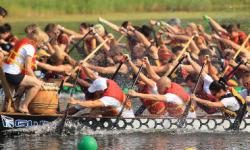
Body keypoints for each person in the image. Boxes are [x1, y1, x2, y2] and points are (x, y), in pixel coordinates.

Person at [2, 28, 47, 113]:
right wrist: (36, 80)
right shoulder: (30, 47)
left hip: (6, 72)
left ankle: (8, 108)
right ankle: (23, 106)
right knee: (37, 84)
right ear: (37, 40)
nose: (42, 45)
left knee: (24, 85)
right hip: (12, 75)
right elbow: (28, 68)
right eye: (42, 42)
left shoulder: (23, 42)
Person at [70, 74, 134, 118]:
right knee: (88, 113)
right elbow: (92, 75)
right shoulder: (107, 82)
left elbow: (92, 103)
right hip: (112, 112)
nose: (94, 93)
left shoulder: (110, 98)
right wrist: (61, 114)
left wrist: (77, 101)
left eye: (95, 91)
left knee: (94, 112)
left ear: (101, 91)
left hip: (124, 116)